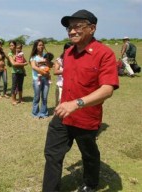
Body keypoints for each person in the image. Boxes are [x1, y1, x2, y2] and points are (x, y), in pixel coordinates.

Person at [42, 10, 119, 192]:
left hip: (86, 117)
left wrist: (76, 104)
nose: (72, 31)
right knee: (52, 155)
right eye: (70, 27)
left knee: (89, 154)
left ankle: (91, 184)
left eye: (78, 26)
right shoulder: (68, 52)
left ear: (92, 28)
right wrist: (65, 104)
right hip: (62, 115)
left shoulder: (104, 54)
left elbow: (107, 89)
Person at [29, 39, 51, 118]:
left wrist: (47, 61)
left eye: (42, 45)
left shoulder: (46, 55)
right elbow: (34, 67)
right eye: (39, 45)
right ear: (36, 46)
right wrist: (43, 72)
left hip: (46, 79)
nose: (41, 46)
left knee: (44, 97)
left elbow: (49, 65)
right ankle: (35, 113)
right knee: (37, 96)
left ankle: (44, 112)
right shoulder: (33, 57)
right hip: (37, 79)